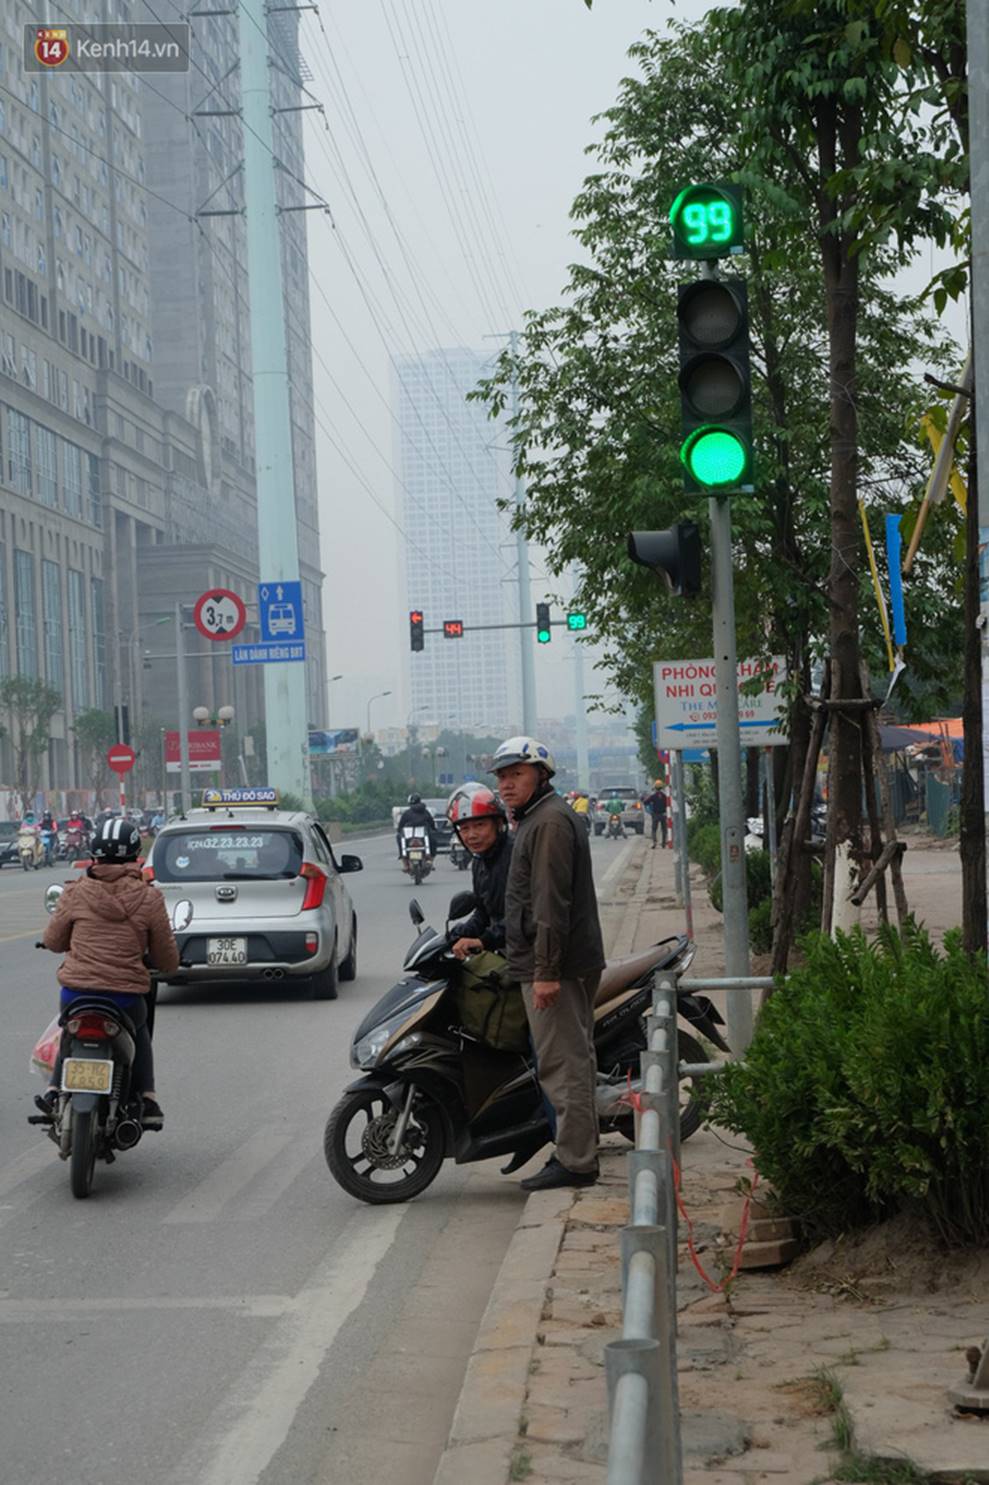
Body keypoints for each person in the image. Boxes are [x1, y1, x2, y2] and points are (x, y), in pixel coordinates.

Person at [492, 735, 605, 1192]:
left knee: (564, 1064)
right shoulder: (539, 819)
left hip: (557, 965)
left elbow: (549, 906)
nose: (506, 785)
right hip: (557, 961)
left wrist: (545, 973)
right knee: (571, 1058)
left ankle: (577, 1162)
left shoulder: (550, 824)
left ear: (541, 774)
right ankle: (576, 1151)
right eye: (501, 776)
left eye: (516, 774)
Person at [34, 816, 180, 1129]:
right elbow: (166, 960)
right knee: (139, 1034)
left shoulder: (74, 893)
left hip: (76, 994)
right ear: (135, 855)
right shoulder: (150, 898)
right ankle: (149, 1098)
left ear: (95, 853)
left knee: (69, 1029)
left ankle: (51, 1091)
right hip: (125, 999)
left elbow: (53, 941)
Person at [446, 785, 512, 959]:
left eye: (480, 825)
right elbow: (483, 912)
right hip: (503, 947)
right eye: (465, 829)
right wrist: (457, 934)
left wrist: (484, 941)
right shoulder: (480, 861)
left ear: (498, 824)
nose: (472, 835)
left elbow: (526, 915)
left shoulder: (517, 855)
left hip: (530, 956)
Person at [396, 793, 437, 861]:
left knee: (399, 837)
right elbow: (431, 822)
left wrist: (399, 830)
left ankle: (403, 857)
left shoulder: (407, 813)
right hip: (424, 836)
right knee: (433, 842)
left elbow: (401, 824)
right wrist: (434, 829)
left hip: (409, 837)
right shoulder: (425, 811)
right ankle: (430, 860)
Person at [643, 779, 668, 850]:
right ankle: (663, 843)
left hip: (656, 815)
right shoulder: (664, 796)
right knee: (664, 830)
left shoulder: (653, 796)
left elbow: (645, 802)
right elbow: (668, 804)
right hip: (663, 814)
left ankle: (654, 842)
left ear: (655, 787)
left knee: (654, 829)